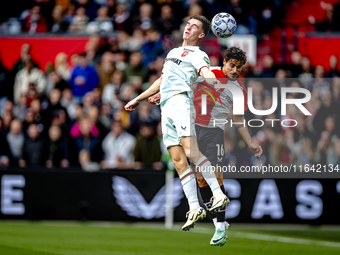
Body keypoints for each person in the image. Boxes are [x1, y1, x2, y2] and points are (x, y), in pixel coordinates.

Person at [149, 47, 263, 246]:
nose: (235, 70)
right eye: (232, 65)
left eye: (239, 67)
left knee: (216, 176)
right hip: (193, 128)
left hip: (214, 132)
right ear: (225, 61)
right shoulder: (207, 72)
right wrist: (163, 94)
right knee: (201, 181)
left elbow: (238, 119)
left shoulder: (239, 90)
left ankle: (220, 226)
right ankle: (218, 221)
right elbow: (184, 84)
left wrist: (250, 143)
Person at [125, 15, 229, 232]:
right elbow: (162, 81)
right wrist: (139, 98)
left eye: (194, 26)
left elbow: (205, 72)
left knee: (192, 152)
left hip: (181, 103)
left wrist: (215, 85)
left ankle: (218, 194)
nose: (188, 27)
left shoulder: (199, 54)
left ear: (201, 34)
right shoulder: (172, 53)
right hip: (166, 107)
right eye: (188, 24)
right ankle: (194, 207)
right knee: (178, 160)